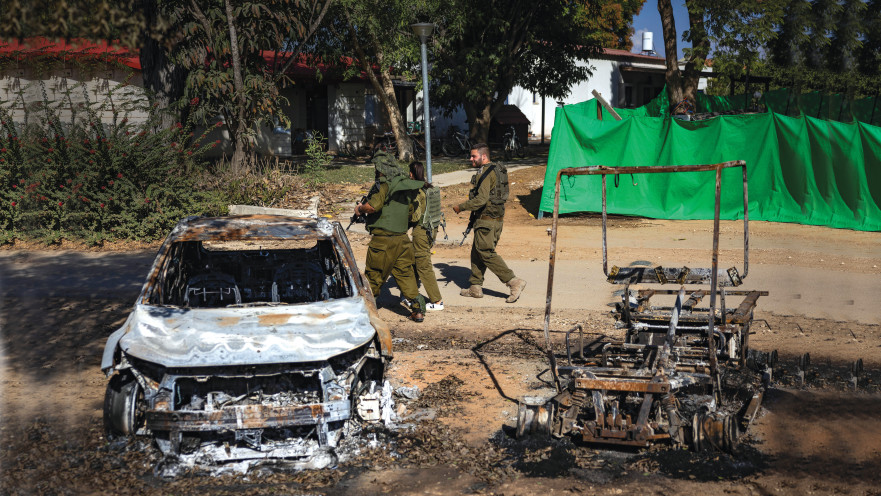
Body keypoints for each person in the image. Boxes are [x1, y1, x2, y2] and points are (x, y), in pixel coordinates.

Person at [354, 152, 427, 321]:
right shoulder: (404, 185)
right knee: (406, 275)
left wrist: (360, 209)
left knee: (374, 275)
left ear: (380, 169)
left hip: (383, 241)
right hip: (402, 239)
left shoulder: (384, 184)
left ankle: (366, 311)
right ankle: (418, 311)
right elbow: (410, 211)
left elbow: (373, 206)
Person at [453, 143, 526, 303]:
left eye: (474, 156)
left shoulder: (485, 173)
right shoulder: (497, 169)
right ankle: (475, 287)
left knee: (485, 252)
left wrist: (461, 207)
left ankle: (513, 282)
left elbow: (481, 199)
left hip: (486, 220)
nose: (470, 159)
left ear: (483, 156)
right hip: (495, 219)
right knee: (477, 251)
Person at [408, 161, 444, 311]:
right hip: (432, 230)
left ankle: (437, 301)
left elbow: (415, 217)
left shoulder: (417, 191)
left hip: (421, 231)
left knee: (423, 265)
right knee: (415, 261)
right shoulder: (430, 188)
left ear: (411, 174)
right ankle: (411, 294)